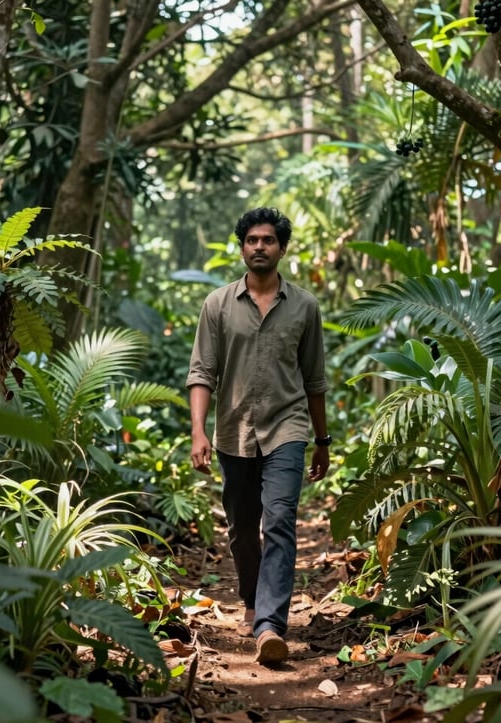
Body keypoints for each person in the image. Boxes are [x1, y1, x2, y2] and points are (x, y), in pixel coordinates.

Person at [186, 206, 331, 665]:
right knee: (243, 530)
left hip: (287, 428)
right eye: (252, 240)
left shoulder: (305, 306)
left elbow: (314, 381)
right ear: (242, 247)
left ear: (281, 248)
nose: (259, 247)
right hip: (232, 430)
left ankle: (270, 625)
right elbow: (202, 372)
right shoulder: (218, 305)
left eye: (268, 240)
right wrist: (198, 432)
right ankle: (251, 599)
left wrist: (323, 441)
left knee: (281, 521)